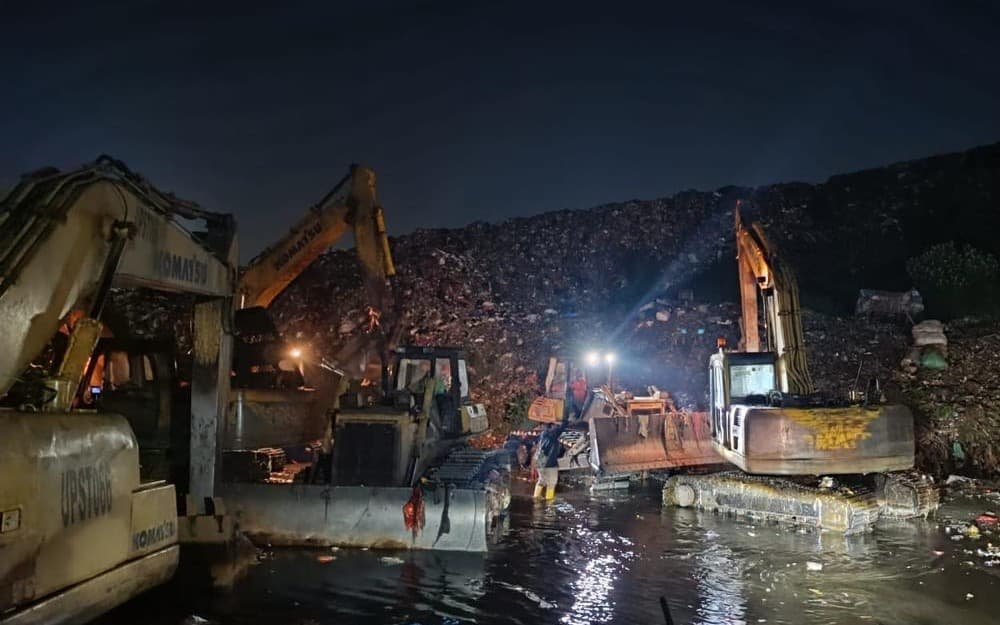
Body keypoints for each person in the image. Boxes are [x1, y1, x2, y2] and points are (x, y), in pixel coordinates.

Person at [533, 418, 567, 500]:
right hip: (550, 463)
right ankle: (549, 501)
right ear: (552, 426)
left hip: (540, 462)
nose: (556, 427)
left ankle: (536, 498)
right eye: (555, 426)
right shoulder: (552, 434)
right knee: (551, 483)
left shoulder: (543, 434)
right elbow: (562, 428)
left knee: (541, 480)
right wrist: (565, 421)